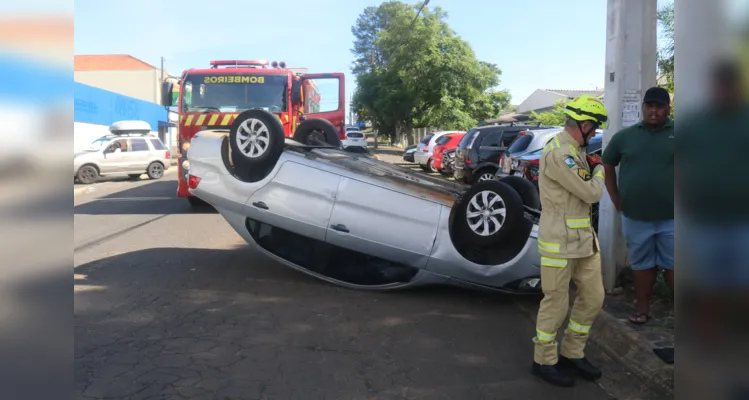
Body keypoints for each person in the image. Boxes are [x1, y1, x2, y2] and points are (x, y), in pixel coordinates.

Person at [533, 94, 608, 387]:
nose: (596, 132)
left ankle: (572, 353)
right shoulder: (560, 153)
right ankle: (544, 360)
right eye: (596, 127)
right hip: (559, 242)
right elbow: (591, 193)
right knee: (556, 303)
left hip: (583, 241)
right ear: (585, 124)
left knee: (593, 297)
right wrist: (599, 167)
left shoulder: (574, 150)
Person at [601, 86, 675, 325]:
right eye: (650, 106)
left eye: (659, 106)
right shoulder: (625, 136)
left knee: (676, 265)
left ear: (667, 108)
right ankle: (643, 309)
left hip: (674, 217)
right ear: (643, 108)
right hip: (635, 216)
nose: (654, 111)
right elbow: (608, 163)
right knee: (642, 265)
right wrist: (614, 196)